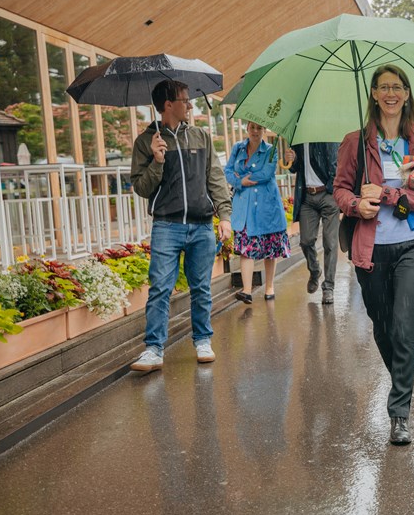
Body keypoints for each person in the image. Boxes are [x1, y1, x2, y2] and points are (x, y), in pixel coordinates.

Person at [333, 64, 414, 446]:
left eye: (398, 87)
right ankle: (402, 379)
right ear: (375, 95)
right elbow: (340, 190)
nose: (391, 93)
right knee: (384, 327)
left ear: (407, 94)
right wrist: (355, 206)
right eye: (384, 87)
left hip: (413, 243)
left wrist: (392, 196)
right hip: (371, 248)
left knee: (406, 326)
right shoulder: (355, 143)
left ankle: (400, 412)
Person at [129, 80, 232, 371]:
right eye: (184, 100)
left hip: (200, 225)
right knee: (160, 287)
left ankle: (202, 340)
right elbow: (142, 188)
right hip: (167, 225)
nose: (189, 105)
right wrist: (157, 159)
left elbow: (215, 178)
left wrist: (224, 216)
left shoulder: (201, 136)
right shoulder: (145, 143)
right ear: (168, 105)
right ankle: (153, 349)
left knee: (201, 288)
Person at [224, 121, 290, 304]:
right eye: (252, 127)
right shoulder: (238, 148)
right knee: (246, 247)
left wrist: (243, 179)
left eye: (259, 128)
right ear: (247, 128)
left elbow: (266, 173)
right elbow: (228, 171)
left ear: (263, 130)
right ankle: (246, 290)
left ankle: (269, 286)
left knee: (270, 248)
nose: (255, 131)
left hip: (266, 206)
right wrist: (238, 182)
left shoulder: (271, 149)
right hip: (244, 206)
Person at [285, 140, 340, 303]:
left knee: (330, 243)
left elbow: (336, 165)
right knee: (306, 241)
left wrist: (332, 189)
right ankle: (315, 270)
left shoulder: (325, 135)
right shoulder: (298, 140)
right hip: (307, 196)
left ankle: (328, 286)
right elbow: (294, 169)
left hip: (327, 195)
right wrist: (292, 159)